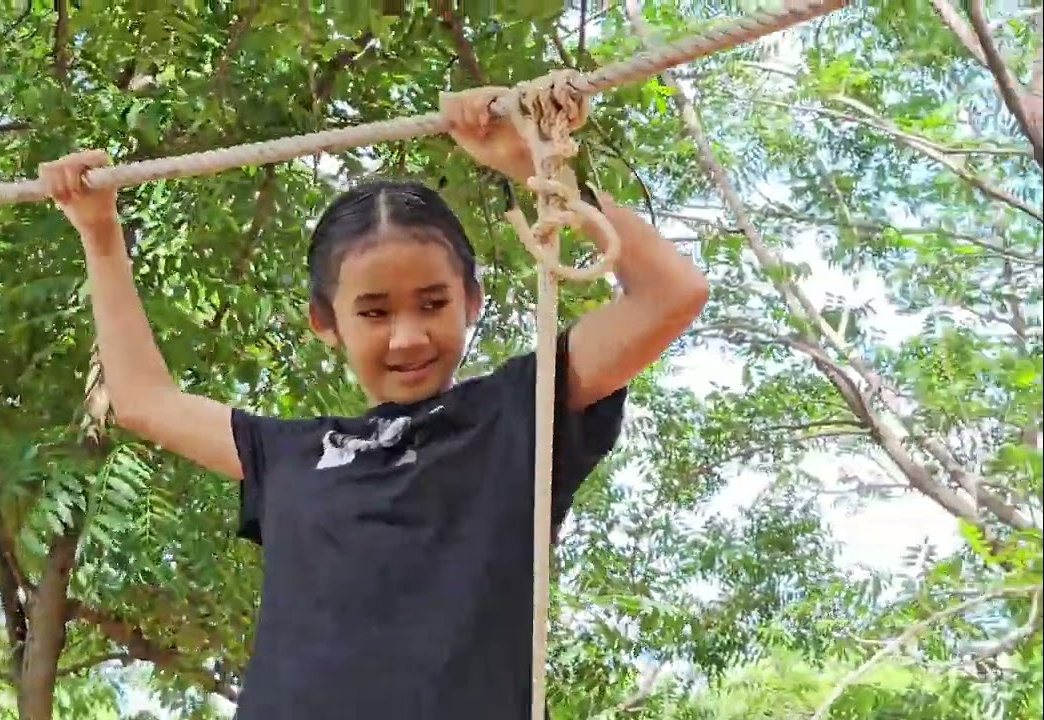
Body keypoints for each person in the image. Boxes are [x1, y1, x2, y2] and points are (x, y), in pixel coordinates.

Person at [39, 86, 709, 720]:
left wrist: (535, 165)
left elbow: (668, 296)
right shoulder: (286, 454)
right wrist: (99, 234)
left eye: (434, 303)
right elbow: (143, 401)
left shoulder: (513, 414)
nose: (408, 335)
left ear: (472, 301)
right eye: (374, 311)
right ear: (325, 322)